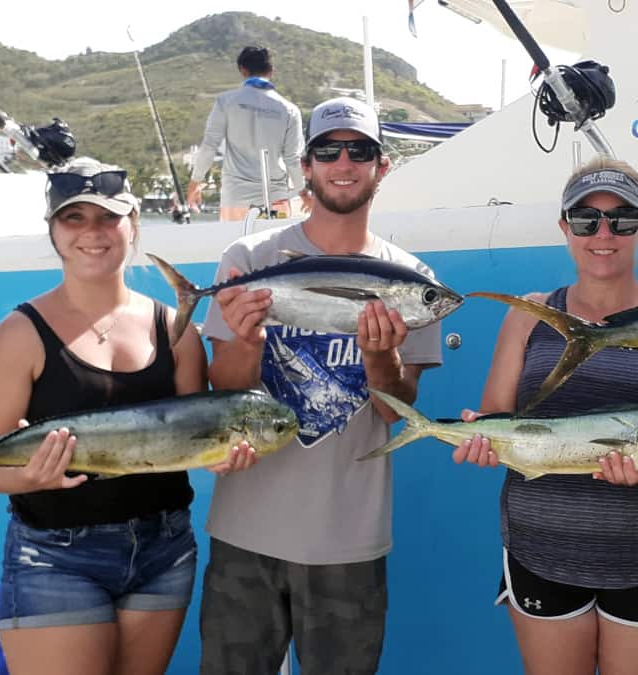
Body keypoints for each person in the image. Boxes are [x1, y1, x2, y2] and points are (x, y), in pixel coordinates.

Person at [0, 157, 256, 675]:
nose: (92, 233)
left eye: (108, 218)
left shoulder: (175, 329)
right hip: (56, 557)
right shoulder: (18, 335)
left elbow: (199, 431)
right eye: (74, 218)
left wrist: (224, 458)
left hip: (165, 550)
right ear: (53, 230)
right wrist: (29, 478)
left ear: (133, 224)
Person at [198, 96, 444, 674]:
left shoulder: (413, 281)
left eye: (359, 150)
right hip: (245, 533)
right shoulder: (248, 256)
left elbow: (397, 411)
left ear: (381, 167)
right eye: (328, 150)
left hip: (349, 541)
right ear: (306, 166)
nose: (343, 162)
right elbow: (224, 393)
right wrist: (246, 341)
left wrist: (381, 358)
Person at [454, 157, 638, 675]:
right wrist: (480, 438)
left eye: (622, 218)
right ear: (564, 227)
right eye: (586, 218)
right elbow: (493, 418)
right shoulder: (526, 316)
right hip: (540, 550)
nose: (604, 233)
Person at [187, 46, 306, 221]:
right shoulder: (290, 110)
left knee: (236, 248)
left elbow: (209, 146)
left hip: (235, 198)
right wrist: (303, 192)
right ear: (271, 71)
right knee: (276, 249)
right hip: (276, 198)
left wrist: (194, 184)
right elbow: (292, 159)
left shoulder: (225, 102)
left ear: (242, 70)